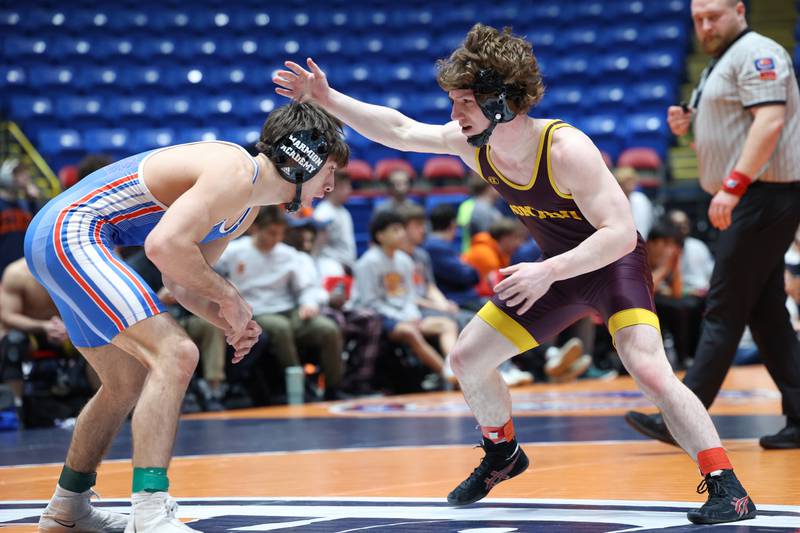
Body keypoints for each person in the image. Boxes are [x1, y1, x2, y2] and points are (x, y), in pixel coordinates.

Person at [273, 22, 755, 524]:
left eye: (465, 103)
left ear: (501, 103)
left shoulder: (566, 149)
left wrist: (550, 272)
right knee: (467, 358)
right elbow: (399, 131)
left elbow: (619, 233)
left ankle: (728, 487)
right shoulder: (473, 144)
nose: (454, 114)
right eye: (454, 102)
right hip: (552, 271)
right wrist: (327, 99)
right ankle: (503, 453)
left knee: (649, 369)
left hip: (610, 266)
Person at [24, 102, 348, 532]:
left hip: (62, 235)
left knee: (125, 382)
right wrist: (229, 296)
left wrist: (230, 320)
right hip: (73, 232)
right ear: (302, 157)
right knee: (176, 353)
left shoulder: (245, 208)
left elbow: (179, 281)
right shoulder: (234, 170)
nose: (331, 184)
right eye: (330, 170)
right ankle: (150, 511)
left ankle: (67, 507)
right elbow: (163, 247)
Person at [625, 0, 800, 451]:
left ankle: (681, 418)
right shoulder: (720, 62)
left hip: (762, 195)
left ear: (739, 9)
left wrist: (734, 186)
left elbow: (770, 122)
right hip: (754, 195)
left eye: (713, 16)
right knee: (766, 313)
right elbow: (731, 134)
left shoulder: (758, 52)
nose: (705, 26)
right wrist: (689, 127)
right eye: (697, 20)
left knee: (723, 308)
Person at [216, 206, 346, 401]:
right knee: (281, 328)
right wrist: (224, 285)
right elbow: (209, 270)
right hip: (256, 311)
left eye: (280, 233)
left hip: (289, 309)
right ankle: (299, 387)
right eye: (271, 233)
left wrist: (308, 304)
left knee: (328, 329)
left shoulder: (289, 255)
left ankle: (333, 387)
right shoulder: (233, 251)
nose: (276, 238)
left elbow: (306, 287)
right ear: (255, 228)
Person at [312, 169, 357, 272]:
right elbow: (317, 245)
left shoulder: (344, 212)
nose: (350, 190)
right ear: (335, 188)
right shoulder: (323, 213)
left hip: (347, 265)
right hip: (330, 266)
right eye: (346, 186)